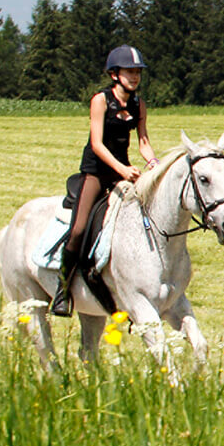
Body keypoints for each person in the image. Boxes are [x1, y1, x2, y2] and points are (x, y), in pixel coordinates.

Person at [51, 45, 156, 317]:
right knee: (78, 229)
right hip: (97, 173)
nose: (134, 77)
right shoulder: (100, 100)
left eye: (137, 72)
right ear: (114, 74)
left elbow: (143, 142)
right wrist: (122, 169)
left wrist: (154, 165)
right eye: (129, 71)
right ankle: (62, 292)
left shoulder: (138, 104)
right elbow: (97, 144)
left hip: (124, 172)